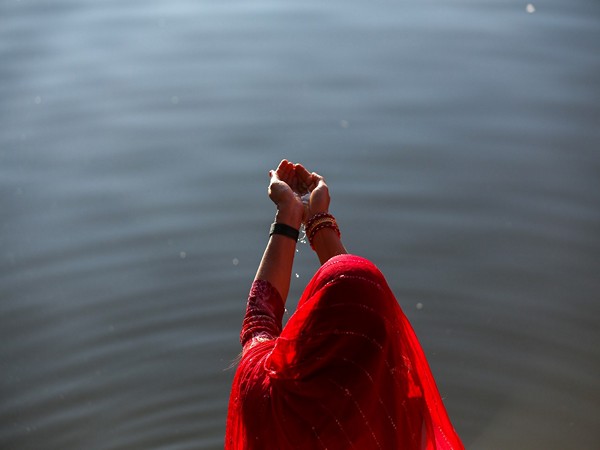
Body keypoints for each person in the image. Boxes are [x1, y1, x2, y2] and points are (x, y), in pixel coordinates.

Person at [225, 160, 464, 449]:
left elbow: (258, 320)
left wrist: (289, 212)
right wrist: (319, 220)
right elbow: (362, 308)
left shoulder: (267, 395)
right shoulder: (397, 408)